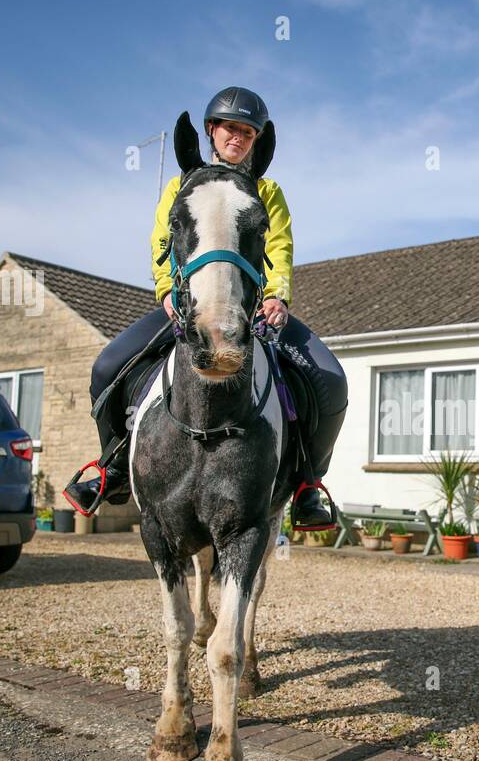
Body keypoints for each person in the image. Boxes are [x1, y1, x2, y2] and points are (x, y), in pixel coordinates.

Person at [63, 86, 347, 529]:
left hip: (253, 310)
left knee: (330, 380)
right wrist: (165, 292)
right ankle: (112, 466)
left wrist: (276, 295)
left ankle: (310, 483)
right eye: (231, 128)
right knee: (106, 367)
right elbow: (163, 241)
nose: (239, 138)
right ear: (211, 130)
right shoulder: (181, 186)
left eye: (248, 133)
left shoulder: (267, 189)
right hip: (188, 304)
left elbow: (278, 245)